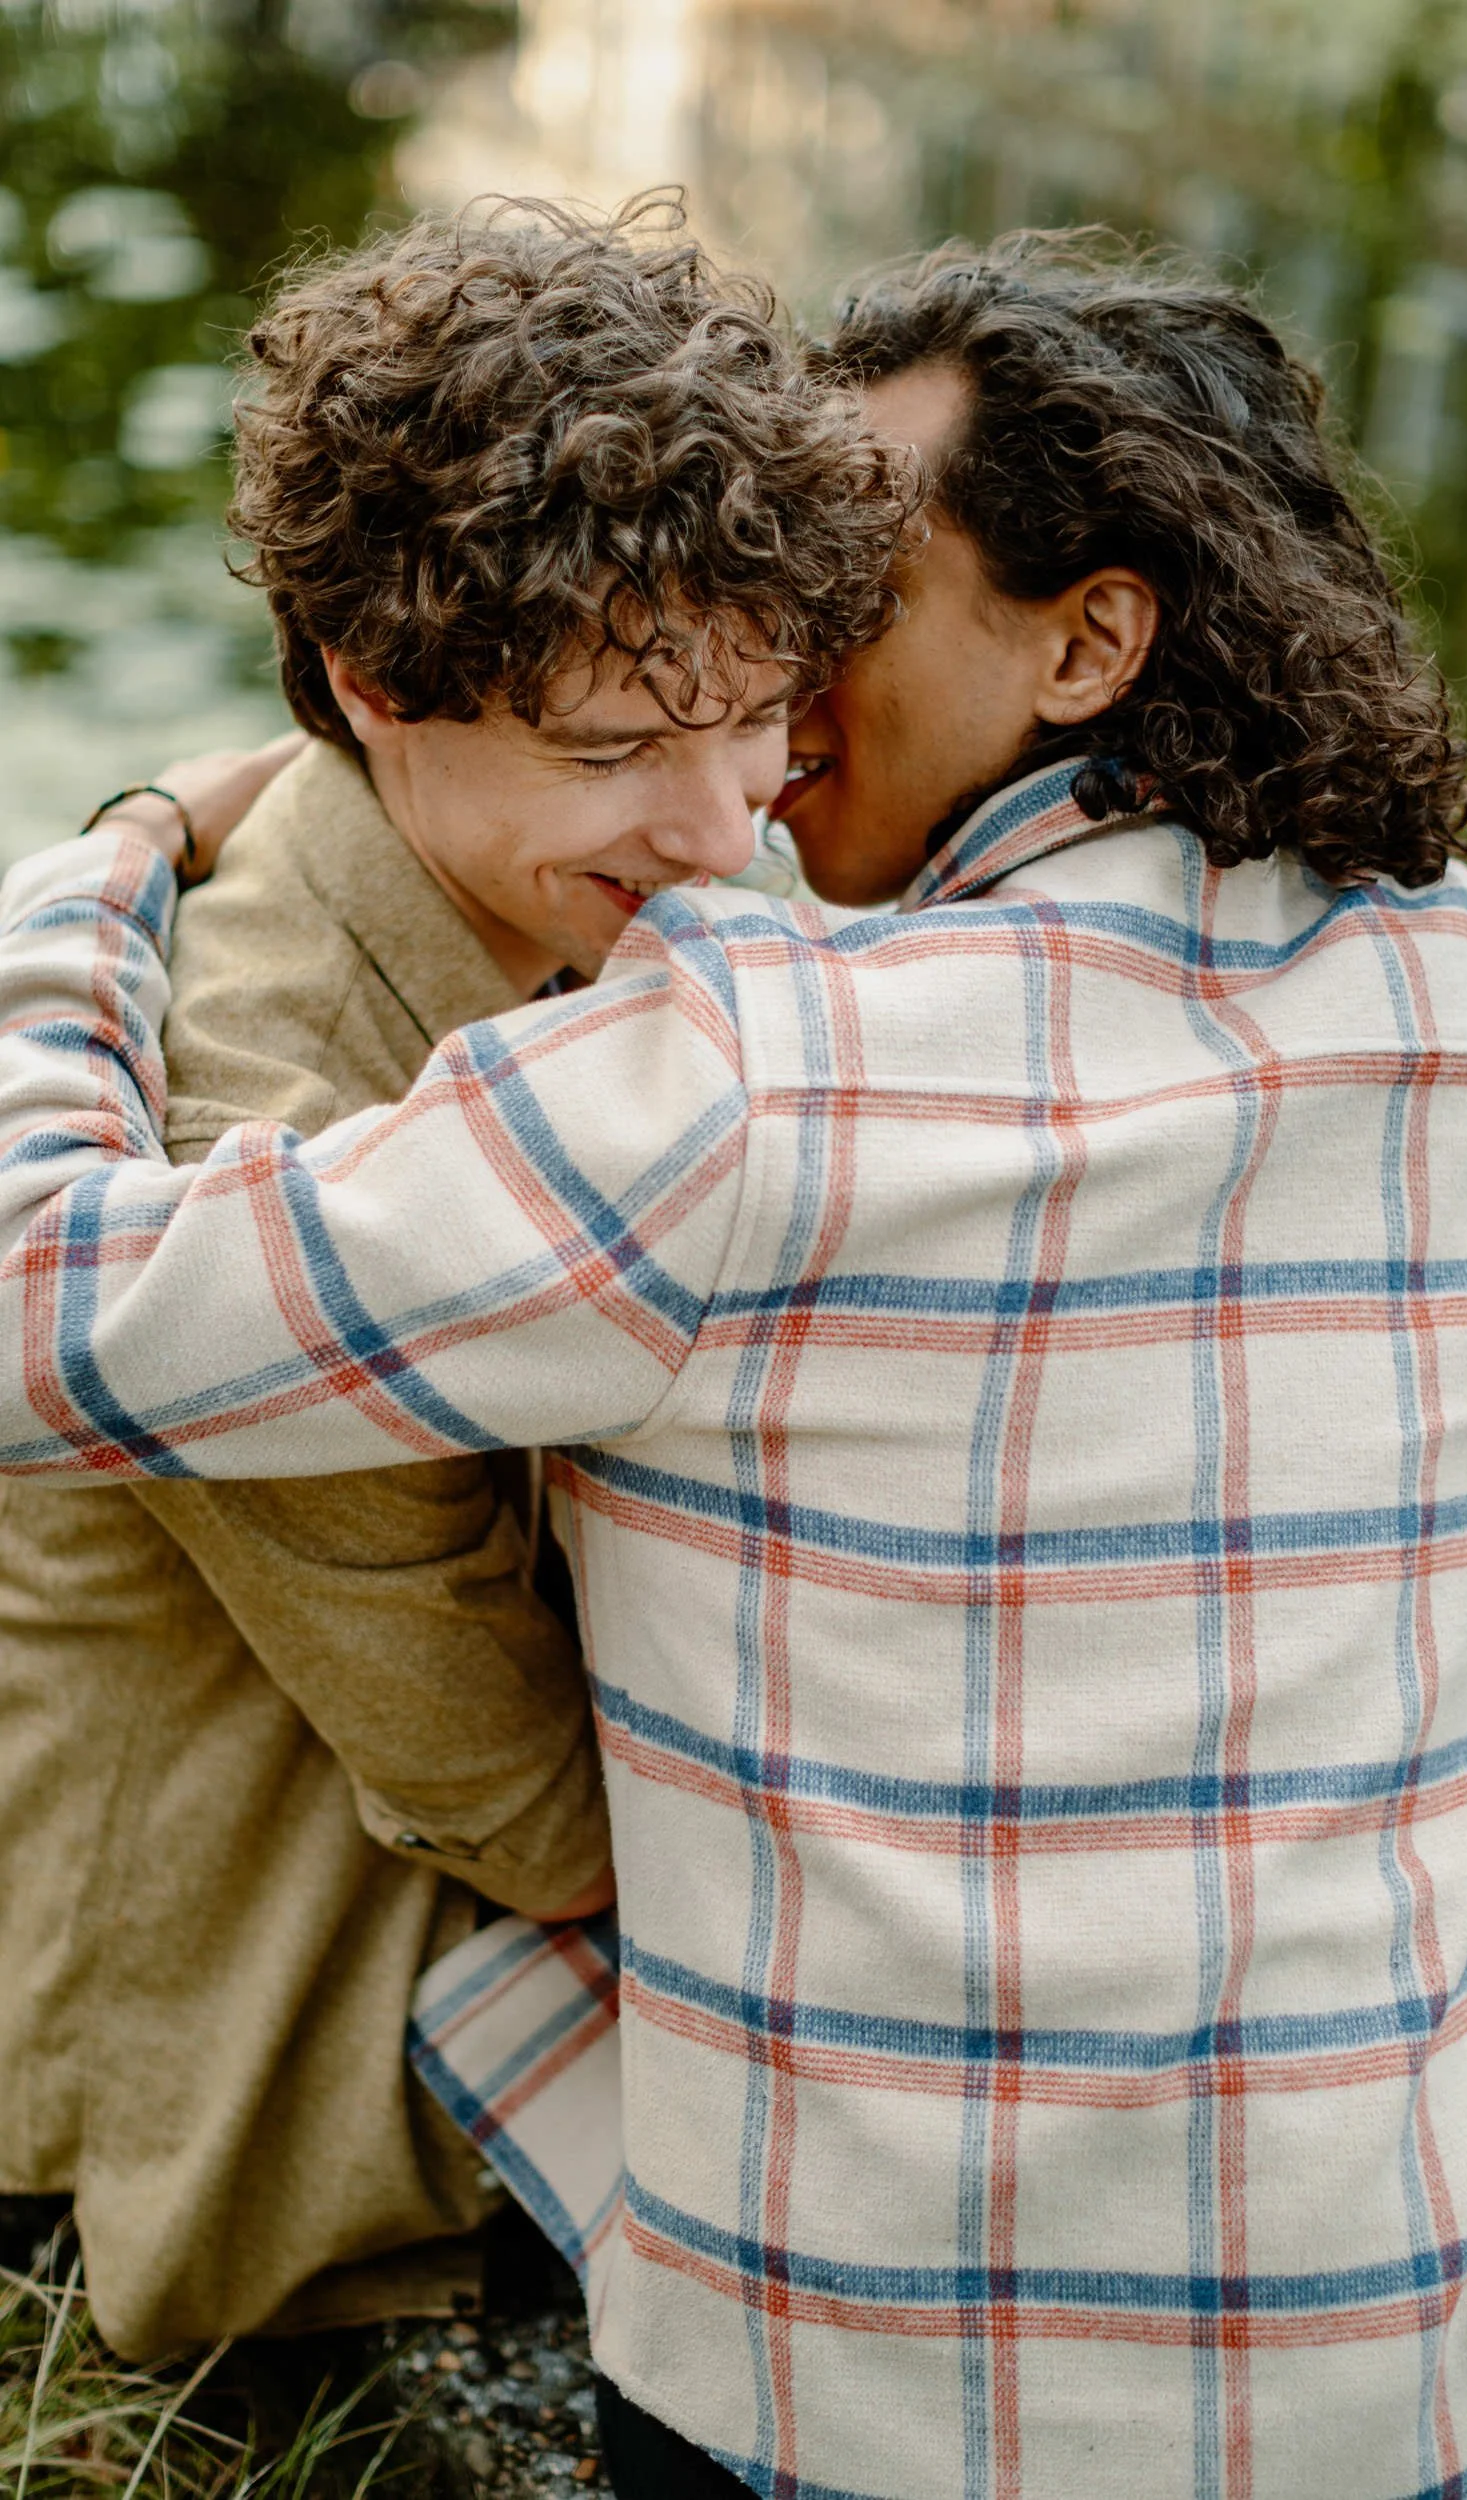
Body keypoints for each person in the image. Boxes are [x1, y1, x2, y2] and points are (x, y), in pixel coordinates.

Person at [0, 229, 1467, 2500]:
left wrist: (104, 863)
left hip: (831, 2373)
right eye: (627, 738)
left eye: (809, 654)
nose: (738, 817)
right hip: (1420, 2373)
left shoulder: (753, 1043)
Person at [0, 199, 910, 2359]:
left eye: (763, 721)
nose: (719, 832)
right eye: (612, 752)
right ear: (367, 689)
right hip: (253, 2058)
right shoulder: (265, 1123)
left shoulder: (565, 899)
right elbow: (519, 1799)